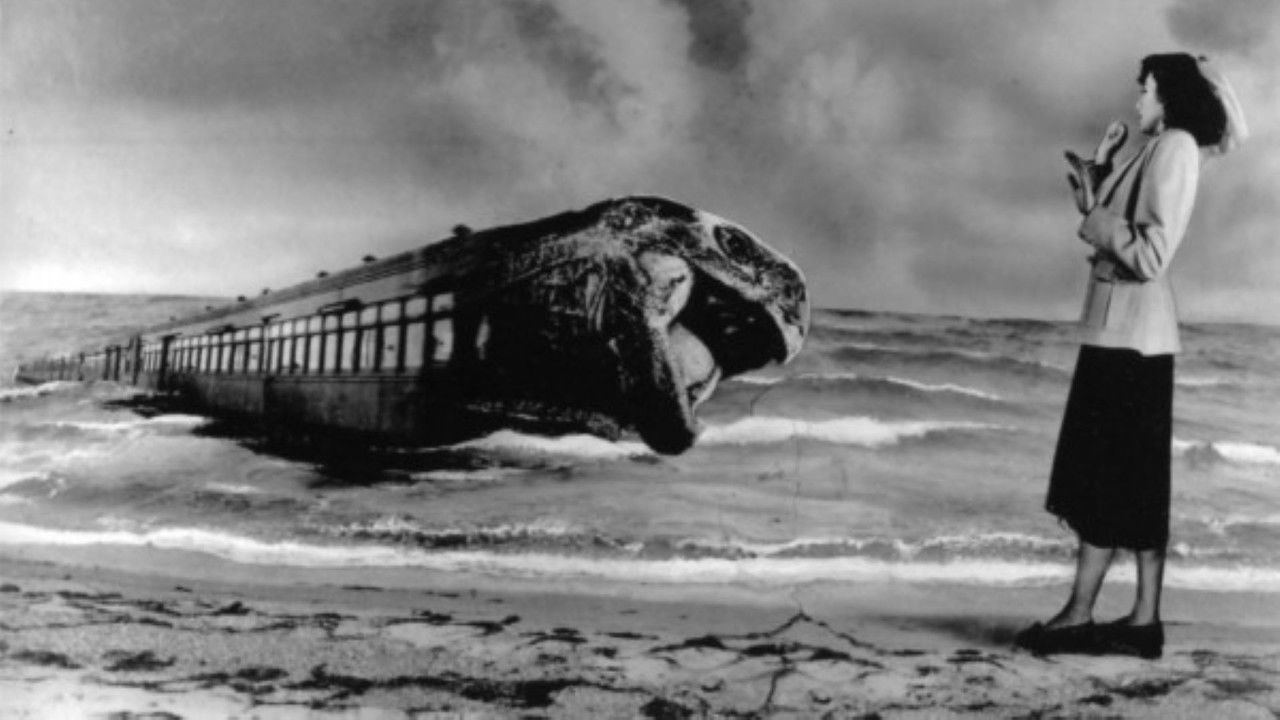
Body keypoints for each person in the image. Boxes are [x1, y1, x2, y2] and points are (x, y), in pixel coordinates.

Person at [1016, 53, 1246, 659]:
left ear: (1167, 97)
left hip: (1128, 339)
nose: (1138, 100)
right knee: (1135, 485)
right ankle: (1142, 621)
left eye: (1146, 90)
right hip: (1128, 337)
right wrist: (1097, 189)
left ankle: (1080, 616)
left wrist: (1094, 219)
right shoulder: (1163, 147)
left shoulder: (1175, 147)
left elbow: (1151, 255)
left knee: (1103, 482)